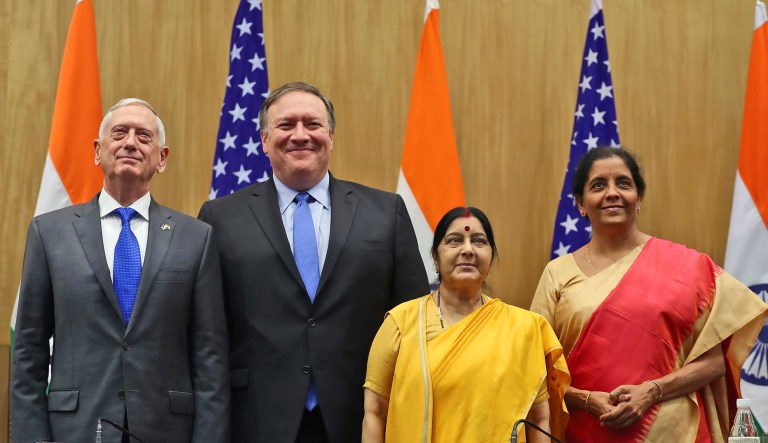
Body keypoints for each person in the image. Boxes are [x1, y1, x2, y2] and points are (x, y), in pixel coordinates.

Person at [198, 81, 429, 443]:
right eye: (286, 125)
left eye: (313, 124)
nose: (300, 135)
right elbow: (208, 332)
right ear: (263, 139)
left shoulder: (385, 213)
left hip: (361, 418)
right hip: (256, 419)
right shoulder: (220, 218)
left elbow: (414, 323)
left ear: (332, 136)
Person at [11, 98, 230, 443]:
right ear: (98, 151)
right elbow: (29, 349)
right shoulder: (49, 232)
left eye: (144, 136)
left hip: (168, 429)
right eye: (119, 133)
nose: (130, 142)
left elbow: (210, 355)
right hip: (76, 428)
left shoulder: (196, 237)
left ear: (162, 158)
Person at [531, 146, 768, 442]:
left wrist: (651, 391)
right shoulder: (557, 273)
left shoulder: (688, 268)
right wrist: (588, 400)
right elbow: (536, 371)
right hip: (586, 431)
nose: (613, 192)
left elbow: (716, 362)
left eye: (624, 183)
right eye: (598, 185)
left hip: (672, 431)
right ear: (581, 203)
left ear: (639, 198)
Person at [362, 207, 569, 443]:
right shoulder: (401, 323)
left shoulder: (526, 329)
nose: (468, 250)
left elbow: (539, 417)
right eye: (455, 241)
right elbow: (374, 412)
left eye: (479, 241)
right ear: (435, 257)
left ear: (492, 256)